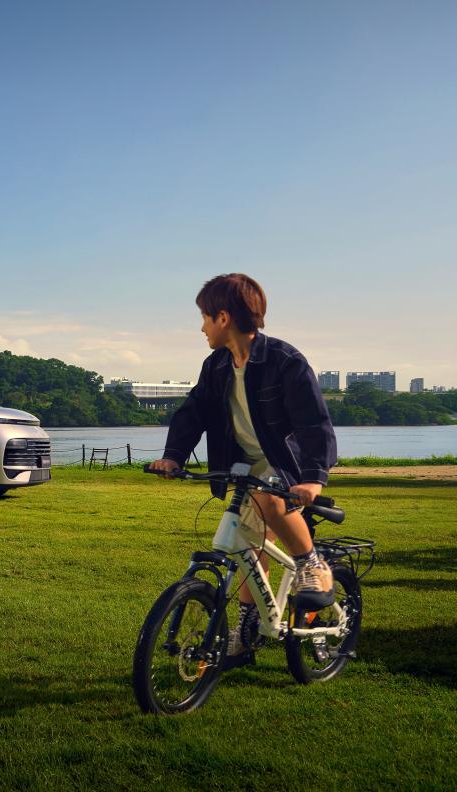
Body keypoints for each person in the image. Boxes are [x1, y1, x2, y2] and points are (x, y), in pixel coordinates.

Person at [148, 273, 337, 656]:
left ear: (223, 317)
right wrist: (173, 456)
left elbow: (313, 423)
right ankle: (250, 627)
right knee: (248, 545)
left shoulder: (284, 361)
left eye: (204, 318)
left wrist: (314, 478)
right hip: (242, 465)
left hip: (284, 465)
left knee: (269, 503)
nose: (202, 327)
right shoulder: (216, 366)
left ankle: (311, 563)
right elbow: (194, 412)